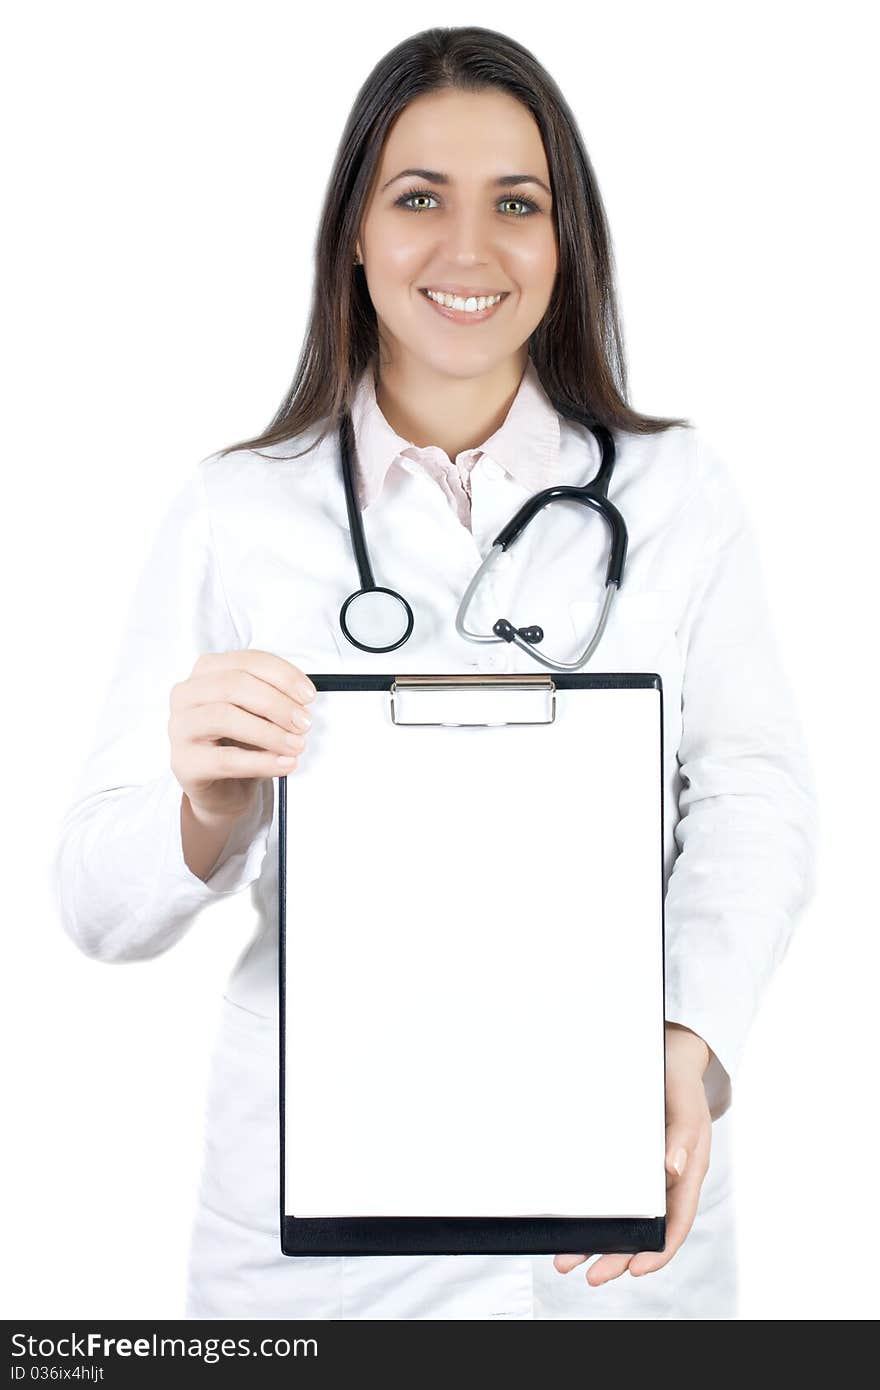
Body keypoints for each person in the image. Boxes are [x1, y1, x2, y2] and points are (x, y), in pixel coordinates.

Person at [51, 25, 818, 1320]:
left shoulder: (679, 491)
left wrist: (690, 1045)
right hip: (324, 1239)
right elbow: (95, 902)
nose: (469, 251)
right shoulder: (239, 509)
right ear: (353, 231)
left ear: (564, 240)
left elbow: (754, 799)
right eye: (419, 199)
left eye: (517, 204)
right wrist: (208, 809)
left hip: (614, 1208)